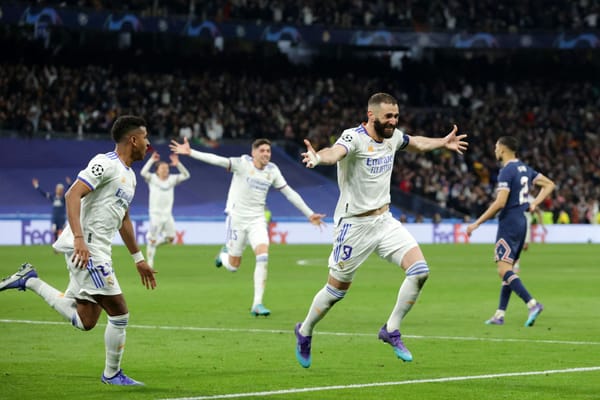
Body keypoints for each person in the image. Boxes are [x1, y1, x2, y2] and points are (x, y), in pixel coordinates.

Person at [294, 92, 468, 368]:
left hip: (384, 221)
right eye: (388, 116)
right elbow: (334, 152)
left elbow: (416, 143)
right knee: (335, 291)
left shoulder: (393, 137)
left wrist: (442, 142)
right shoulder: (353, 138)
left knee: (420, 271)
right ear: (371, 115)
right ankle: (304, 331)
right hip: (354, 225)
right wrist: (318, 158)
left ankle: (391, 329)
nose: (393, 121)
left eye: (396, 116)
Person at [0, 115, 157, 385]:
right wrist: (79, 239)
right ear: (133, 139)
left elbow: (125, 221)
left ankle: (31, 280)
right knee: (119, 311)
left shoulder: (130, 177)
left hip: (99, 249)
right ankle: (112, 374)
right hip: (87, 248)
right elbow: (73, 194)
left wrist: (139, 259)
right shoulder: (104, 163)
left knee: (85, 321)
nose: (149, 143)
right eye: (145, 137)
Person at [170, 137, 325, 316]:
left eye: (268, 151)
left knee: (263, 256)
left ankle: (257, 304)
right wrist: (191, 152)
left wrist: (309, 213)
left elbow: (289, 193)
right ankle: (224, 255)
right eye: (262, 151)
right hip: (236, 218)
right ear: (253, 153)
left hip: (257, 220)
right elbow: (218, 160)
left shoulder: (272, 171)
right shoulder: (243, 163)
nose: (266, 154)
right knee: (234, 266)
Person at [466, 136, 555, 327]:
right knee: (509, 270)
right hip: (522, 222)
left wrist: (477, 223)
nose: (495, 150)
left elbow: (500, 202)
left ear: (504, 149)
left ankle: (532, 304)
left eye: (496, 146)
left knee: (503, 269)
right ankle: (499, 315)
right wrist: (535, 204)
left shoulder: (506, 171)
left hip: (509, 224)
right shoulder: (525, 168)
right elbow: (549, 185)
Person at [140, 151, 191, 268]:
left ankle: (156, 244)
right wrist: (151, 160)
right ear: (157, 170)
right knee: (152, 240)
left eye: (167, 168)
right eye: (163, 168)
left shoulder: (172, 179)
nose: (165, 170)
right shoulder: (152, 178)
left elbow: (187, 175)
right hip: (155, 215)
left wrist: (178, 164)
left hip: (168, 215)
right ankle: (150, 263)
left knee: (171, 238)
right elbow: (143, 173)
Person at [32, 176, 72, 242]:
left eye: (60, 189)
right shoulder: (52, 197)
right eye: (58, 189)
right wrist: (37, 186)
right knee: (54, 230)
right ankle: (55, 244)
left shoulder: (64, 198)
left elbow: (70, 192)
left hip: (61, 218)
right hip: (55, 218)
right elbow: (44, 194)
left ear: (62, 190)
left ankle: (62, 244)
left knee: (63, 232)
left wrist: (70, 184)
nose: (58, 190)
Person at [514, 192, 546, 273]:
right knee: (518, 246)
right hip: (518, 224)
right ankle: (515, 266)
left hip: (526, 225)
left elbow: (537, 211)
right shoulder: (515, 196)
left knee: (524, 247)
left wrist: (541, 224)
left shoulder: (530, 199)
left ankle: (514, 262)